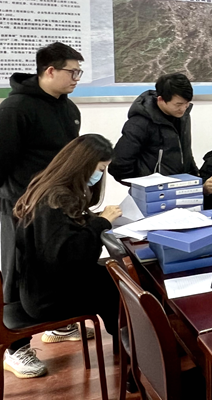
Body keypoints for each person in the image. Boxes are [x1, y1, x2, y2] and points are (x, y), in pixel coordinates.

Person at [0, 42, 89, 374]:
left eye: (79, 72)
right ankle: (15, 347)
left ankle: (56, 325)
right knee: (19, 274)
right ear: (50, 71)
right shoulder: (15, 109)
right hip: (20, 209)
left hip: (56, 206)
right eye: (72, 72)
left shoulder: (67, 107)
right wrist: (18, 204)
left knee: (56, 265)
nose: (77, 78)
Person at [7, 134, 121, 379]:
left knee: (110, 275)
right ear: (83, 164)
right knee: (116, 286)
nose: (101, 175)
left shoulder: (50, 188)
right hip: (47, 298)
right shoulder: (57, 199)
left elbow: (63, 238)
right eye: (101, 169)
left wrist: (94, 220)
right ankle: (130, 343)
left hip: (40, 286)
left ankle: (127, 338)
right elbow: (68, 257)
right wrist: (102, 222)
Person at [109, 73, 208, 190]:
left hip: (181, 189)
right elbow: (119, 164)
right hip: (154, 194)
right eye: (178, 104)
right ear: (161, 99)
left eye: (187, 103)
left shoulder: (183, 116)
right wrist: (144, 185)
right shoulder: (140, 123)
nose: (183, 108)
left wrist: (196, 179)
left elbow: (185, 153)